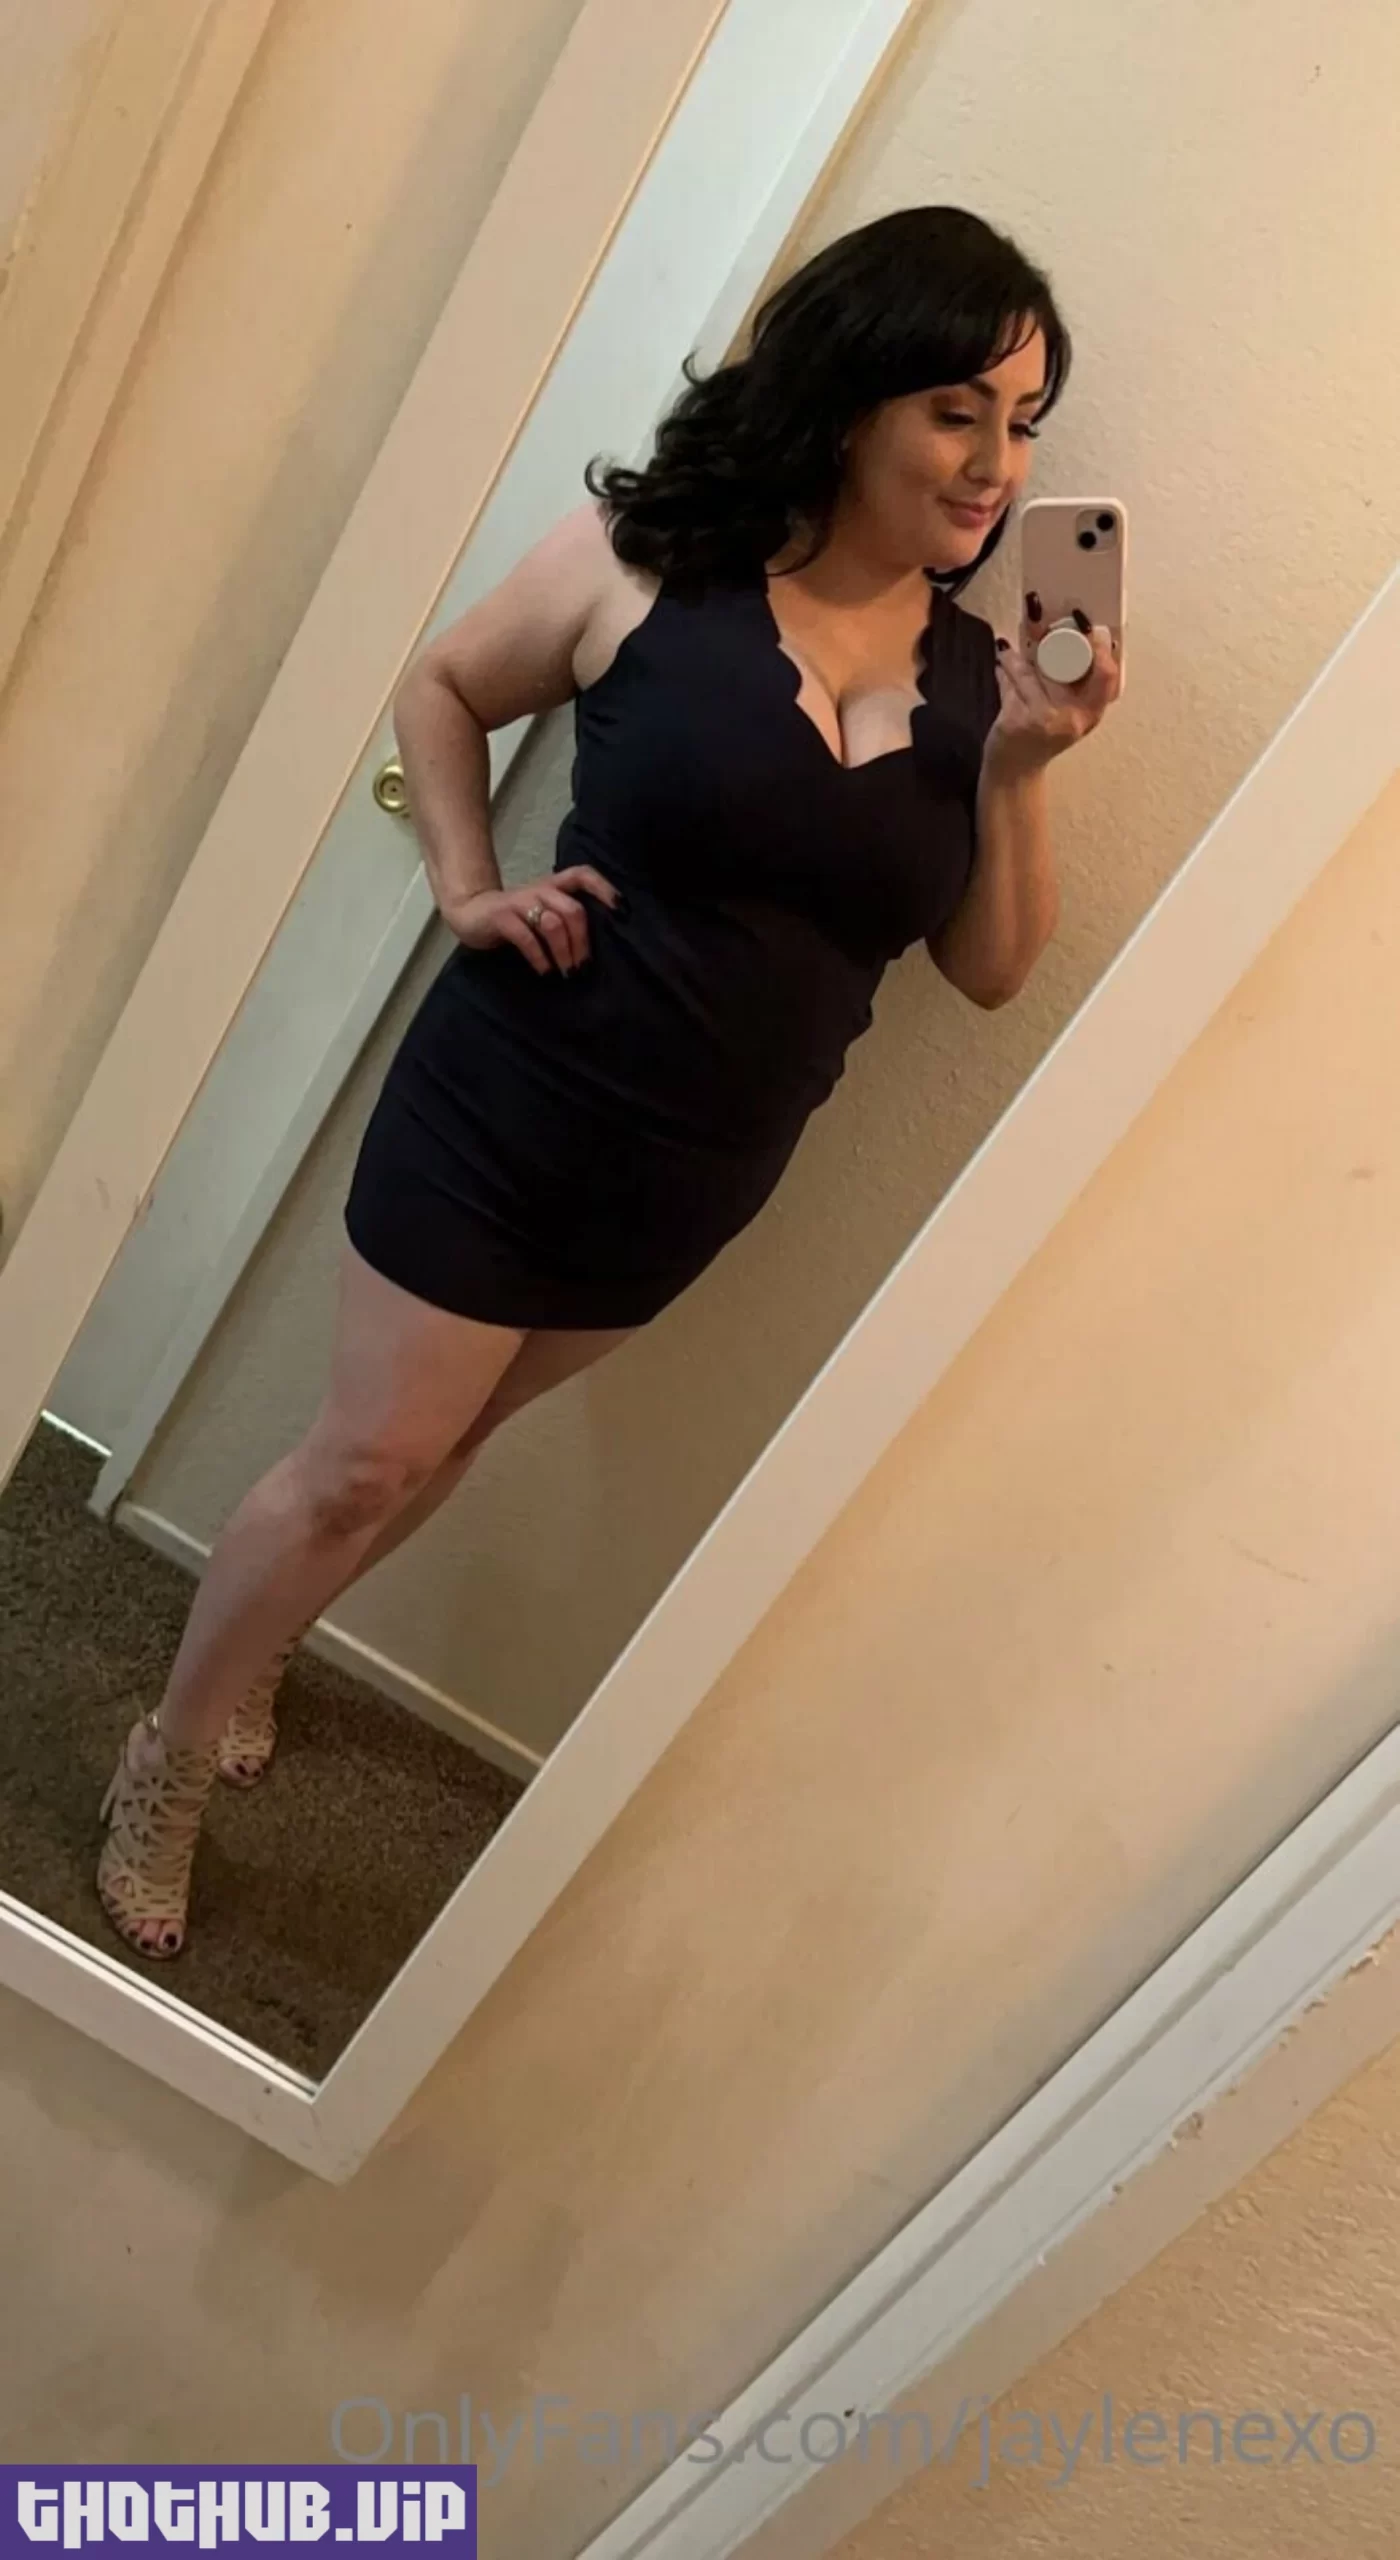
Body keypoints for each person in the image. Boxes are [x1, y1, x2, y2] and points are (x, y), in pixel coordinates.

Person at [95, 203, 1120, 1959]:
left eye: (1023, 421)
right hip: (508, 1108)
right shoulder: (649, 562)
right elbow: (443, 685)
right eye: (958, 409)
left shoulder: (984, 683)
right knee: (364, 1459)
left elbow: (991, 968)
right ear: (850, 399)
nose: (995, 463)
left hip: (693, 1179)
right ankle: (168, 1754)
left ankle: (251, 1648)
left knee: (445, 1446)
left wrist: (1022, 767)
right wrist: (466, 888)